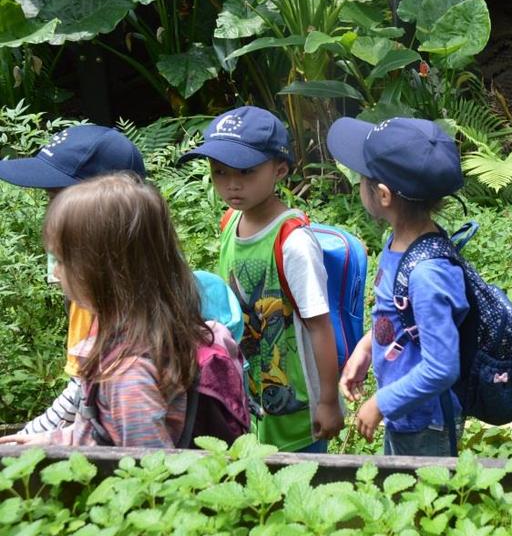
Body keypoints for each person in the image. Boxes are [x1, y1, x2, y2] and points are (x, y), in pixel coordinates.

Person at [1, 173, 238, 448]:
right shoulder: (136, 337)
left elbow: (150, 473)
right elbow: (101, 431)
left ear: (101, 271)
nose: (55, 271)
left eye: (63, 261)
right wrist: (52, 439)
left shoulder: (128, 374)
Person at [180, 106, 343, 453]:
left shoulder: (293, 242)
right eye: (220, 171)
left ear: (280, 170)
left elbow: (319, 325)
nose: (231, 183)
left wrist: (328, 401)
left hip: (298, 409)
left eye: (246, 171)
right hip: (247, 399)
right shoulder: (229, 223)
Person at [328, 117, 469, 456]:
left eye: (363, 178)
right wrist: (365, 349)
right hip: (408, 414)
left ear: (383, 195)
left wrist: (381, 402)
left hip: (428, 424)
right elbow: (400, 316)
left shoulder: (427, 273)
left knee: (423, 506)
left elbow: (442, 367)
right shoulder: (399, 243)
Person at [0, 124, 146, 435]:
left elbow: (135, 441)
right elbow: (82, 389)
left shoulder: (131, 315)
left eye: (58, 197)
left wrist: (34, 439)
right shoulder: (93, 287)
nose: (50, 213)